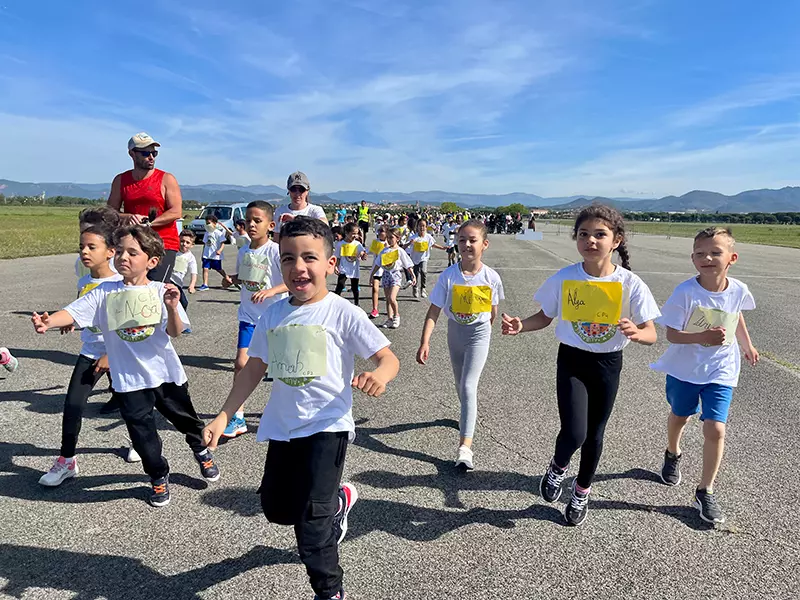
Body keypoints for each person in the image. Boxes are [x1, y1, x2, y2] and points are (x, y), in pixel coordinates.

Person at [202, 217, 400, 600]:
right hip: (283, 427)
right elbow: (253, 368)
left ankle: (330, 591)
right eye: (289, 258)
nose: (299, 267)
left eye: (310, 257)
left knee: (312, 526)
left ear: (331, 264)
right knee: (277, 509)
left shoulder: (343, 313)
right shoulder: (273, 314)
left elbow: (388, 358)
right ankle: (339, 499)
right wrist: (224, 415)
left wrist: (381, 376)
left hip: (328, 426)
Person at [31, 225, 220, 507]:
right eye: (119, 251)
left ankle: (201, 450)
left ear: (152, 261)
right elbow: (72, 312)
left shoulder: (161, 291)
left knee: (186, 420)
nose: (123, 257)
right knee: (142, 435)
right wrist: (49, 321)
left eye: (133, 252)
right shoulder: (104, 292)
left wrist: (171, 307)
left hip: (164, 375)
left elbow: (175, 332)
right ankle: (158, 475)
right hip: (129, 381)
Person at [501, 204, 660, 526]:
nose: (591, 240)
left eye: (600, 234)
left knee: (595, 434)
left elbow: (652, 333)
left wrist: (637, 333)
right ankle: (558, 467)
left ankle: (582, 490)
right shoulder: (565, 277)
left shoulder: (630, 284)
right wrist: (521, 325)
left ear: (616, 240)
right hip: (572, 360)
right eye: (584, 234)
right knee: (574, 432)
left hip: (607, 363)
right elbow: (545, 316)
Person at [651, 227, 758, 524]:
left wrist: (747, 344)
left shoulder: (738, 289)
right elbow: (671, 334)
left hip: (721, 369)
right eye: (700, 253)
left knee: (716, 429)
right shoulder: (685, 292)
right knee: (680, 416)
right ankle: (672, 452)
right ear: (692, 258)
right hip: (685, 369)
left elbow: (736, 315)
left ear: (732, 258)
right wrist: (702, 337)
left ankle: (705, 490)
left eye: (715, 252)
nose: (707, 258)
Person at [39, 223, 127, 486]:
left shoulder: (121, 283)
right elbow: (83, 308)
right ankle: (67, 461)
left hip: (119, 352)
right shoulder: (84, 281)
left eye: (92, 247)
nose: (84, 252)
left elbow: (127, 324)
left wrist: (112, 356)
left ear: (111, 251)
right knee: (73, 404)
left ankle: (137, 442)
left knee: (133, 406)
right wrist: (70, 321)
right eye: (81, 247)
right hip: (91, 351)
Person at [417, 220, 504, 470]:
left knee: (468, 385)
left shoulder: (491, 277)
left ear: (484, 244)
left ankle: (465, 448)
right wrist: (425, 341)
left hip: (478, 334)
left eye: (472, 240)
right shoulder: (449, 276)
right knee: (460, 384)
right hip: (455, 333)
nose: (466, 244)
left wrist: (484, 328)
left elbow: (493, 311)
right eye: (462, 239)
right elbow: (434, 311)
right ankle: (467, 413)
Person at [224, 201, 288, 440]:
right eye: (248, 220)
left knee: (284, 369)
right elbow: (246, 278)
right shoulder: (243, 251)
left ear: (270, 225)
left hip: (275, 318)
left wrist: (272, 291)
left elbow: (289, 282)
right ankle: (237, 416)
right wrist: (232, 279)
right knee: (241, 363)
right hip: (249, 317)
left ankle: (285, 414)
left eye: (257, 221)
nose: (251, 224)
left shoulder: (275, 251)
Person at [107, 132, 182, 282]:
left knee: (156, 287)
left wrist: (149, 223)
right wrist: (127, 217)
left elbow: (176, 211)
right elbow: (109, 212)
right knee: (132, 285)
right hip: (133, 242)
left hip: (163, 243)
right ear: (132, 154)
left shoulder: (166, 179)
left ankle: (177, 302)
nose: (151, 157)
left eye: (154, 153)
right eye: (146, 153)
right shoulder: (121, 180)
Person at [371, 228, 415, 329]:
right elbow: (378, 264)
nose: (389, 240)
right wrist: (372, 275)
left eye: (391, 237)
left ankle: (396, 315)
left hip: (395, 275)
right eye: (388, 237)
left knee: (392, 298)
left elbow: (407, 264)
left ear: (398, 238)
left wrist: (412, 274)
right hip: (386, 275)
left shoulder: (400, 251)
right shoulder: (384, 251)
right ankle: (389, 318)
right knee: (387, 299)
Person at [273, 172, 328, 243]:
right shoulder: (280, 211)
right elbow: (277, 240)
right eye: (293, 189)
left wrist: (296, 219)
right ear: (288, 190)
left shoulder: (315, 210)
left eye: (301, 189)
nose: (297, 193)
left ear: (307, 191)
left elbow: (324, 225)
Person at [404, 218, 445, 300]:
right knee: (415, 274)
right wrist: (409, 243)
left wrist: (443, 248)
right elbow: (404, 247)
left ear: (426, 227)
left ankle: (423, 288)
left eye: (423, 226)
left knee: (423, 271)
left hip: (424, 258)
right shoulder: (413, 237)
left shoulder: (428, 237)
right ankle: (415, 288)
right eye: (420, 226)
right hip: (414, 259)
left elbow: (433, 244)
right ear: (417, 227)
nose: (422, 228)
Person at [334, 223, 367, 306]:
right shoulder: (340, 244)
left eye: (356, 233)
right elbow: (337, 257)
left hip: (354, 269)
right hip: (343, 268)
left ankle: (356, 303)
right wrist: (336, 266)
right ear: (346, 233)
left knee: (355, 287)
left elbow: (363, 255)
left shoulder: (357, 244)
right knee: (340, 285)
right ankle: (334, 303)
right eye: (353, 233)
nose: (355, 236)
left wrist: (363, 254)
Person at [198, 214, 233, 291]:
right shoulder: (207, 233)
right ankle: (205, 284)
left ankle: (228, 278)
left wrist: (220, 250)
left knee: (219, 269)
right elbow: (205, 244)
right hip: (207, 255)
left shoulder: (218, 233)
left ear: (214, 223)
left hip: (215, 256)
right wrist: (203, 254)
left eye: (209, 223)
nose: (207, 225)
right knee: (205, 269)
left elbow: (222, 243)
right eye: (206, 223)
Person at [172, 230, 199, 328]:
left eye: (188, 242)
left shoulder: (190, 257)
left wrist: (192, 285)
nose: (184, 244)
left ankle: (179, 323)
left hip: (178, 283)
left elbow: (194, 272)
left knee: (183, 303)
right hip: (169, 280)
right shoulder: (173, 252)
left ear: (192, 245)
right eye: (182, 241)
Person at [367, 226, 388, 319]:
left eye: (382, 231)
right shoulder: (376, 242)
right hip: (376, 269)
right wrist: (363, 253)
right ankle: (375, 309)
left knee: (387, 291)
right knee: (375, 288)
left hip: (387, 269)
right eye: (379, 231)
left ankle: (390, 309)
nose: (380, 233)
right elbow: (369, 251)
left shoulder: (390, 242)